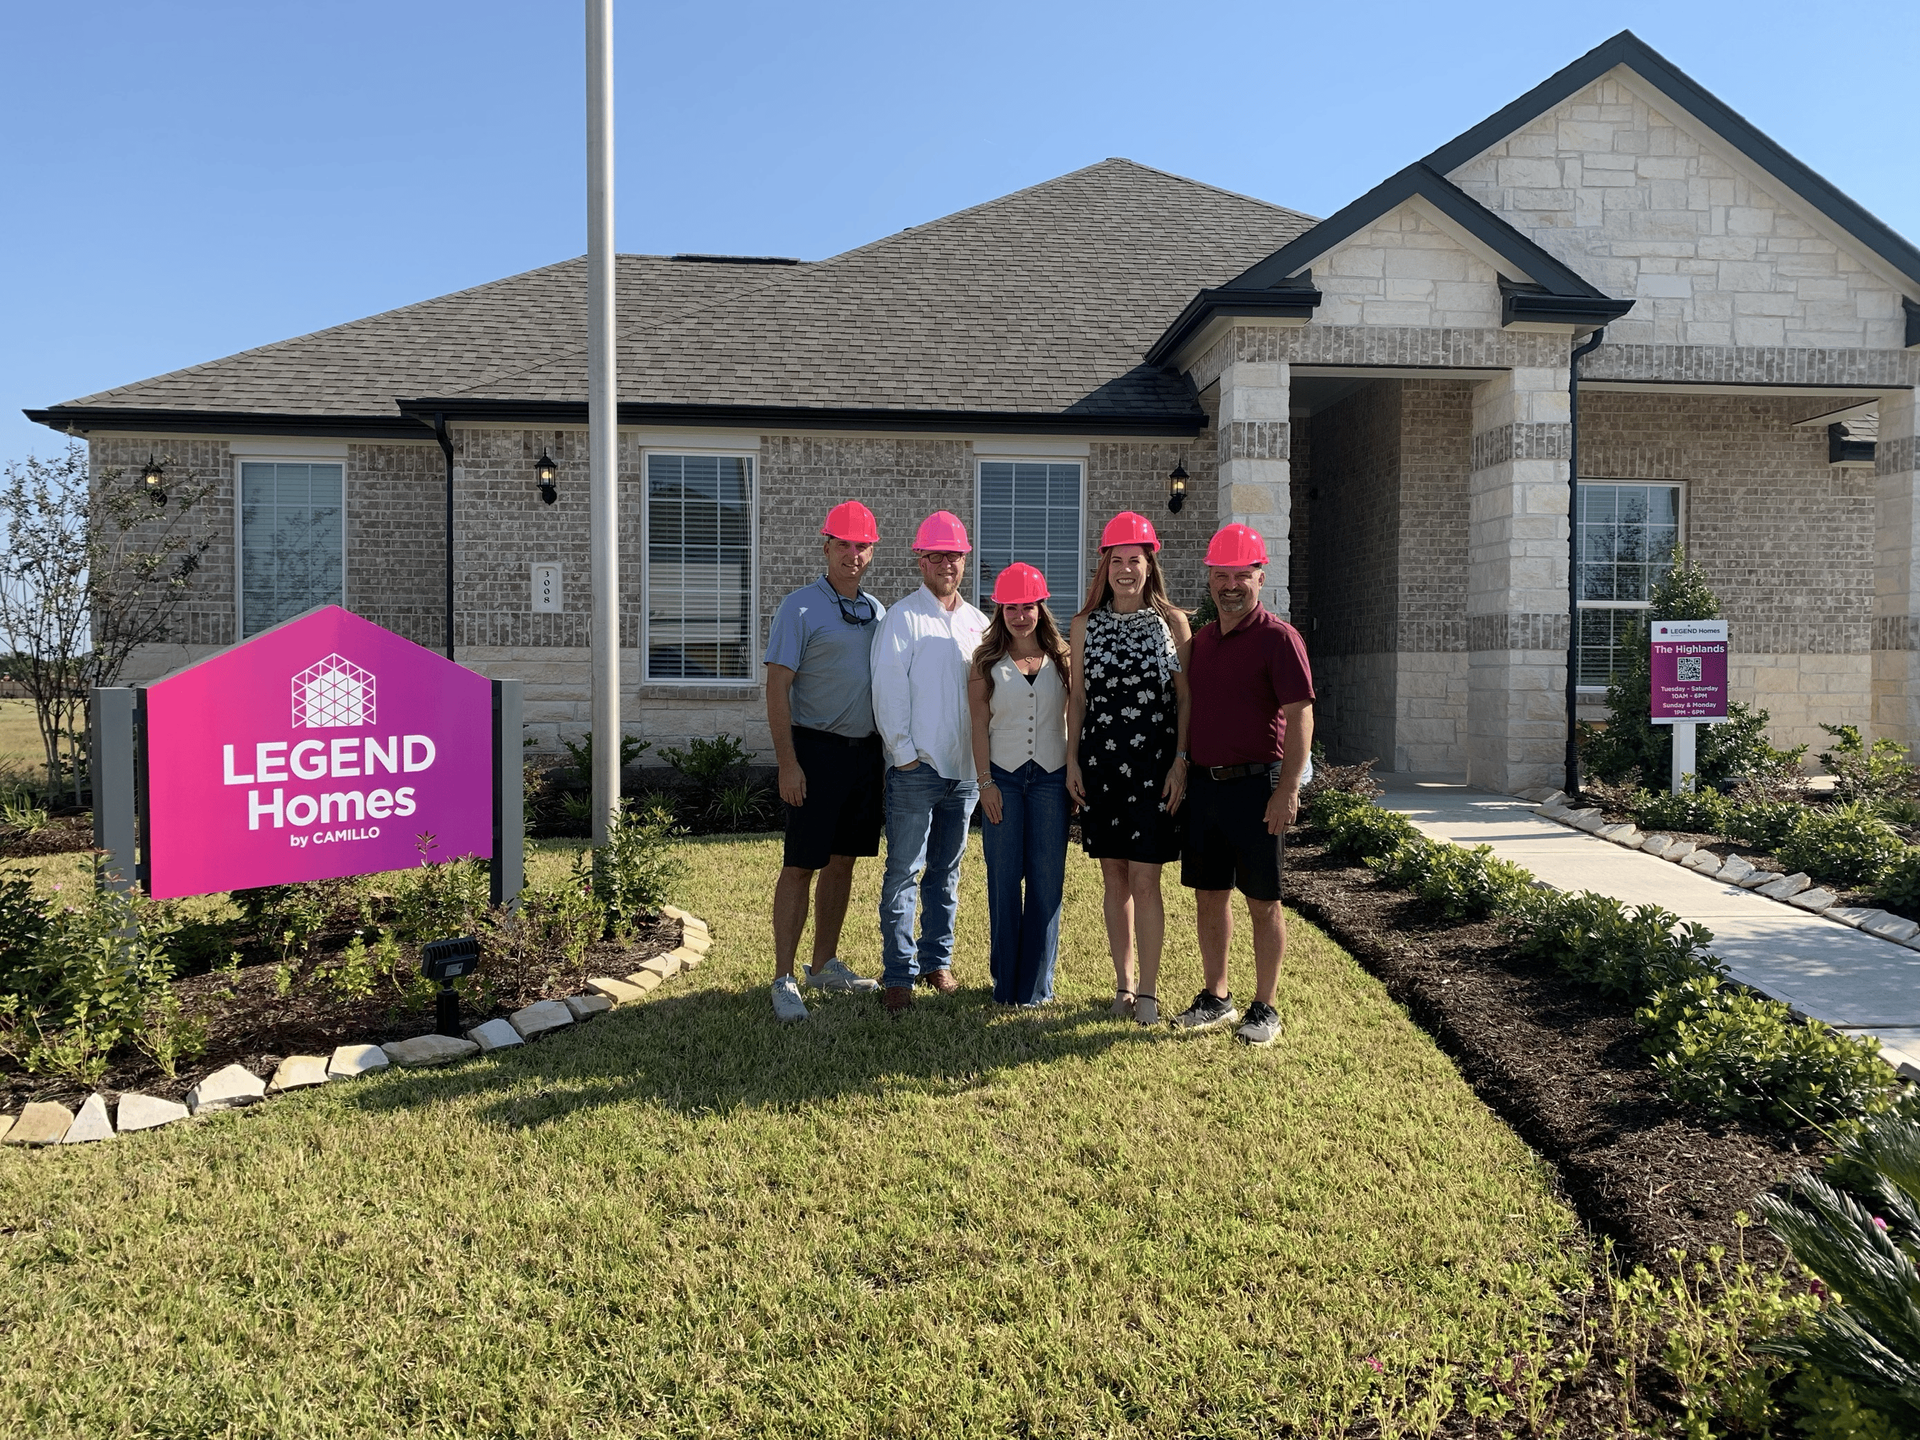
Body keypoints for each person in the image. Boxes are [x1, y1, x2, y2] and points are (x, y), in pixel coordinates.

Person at [1173, 523, 1315, 1046]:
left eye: (1241, 575)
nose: (1231, 585)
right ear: (1210, 578)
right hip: (1207, 791)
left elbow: (1301, 714)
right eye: (1221, 575)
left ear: (1260, 576)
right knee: (1209, 896)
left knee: (1263, 901)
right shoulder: (1204, 642)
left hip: (1259, 791)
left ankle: (1266, 1006)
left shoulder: (1279, 638)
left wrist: (1288, 789)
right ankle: (1217, 997)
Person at [762, 501, 889, 1021]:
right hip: (814, 752)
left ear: (871, 554)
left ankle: (824, 964)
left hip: (865, 756)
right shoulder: (799, 607)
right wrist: (788, 764)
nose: (852, 555)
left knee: (843, 863)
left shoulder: (878, 611)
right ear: (826, 547)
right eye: (843, 544)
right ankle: (784, 977)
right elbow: (776, 691)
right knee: (800, 865)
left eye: (862, 546)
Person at [1066, 511, 1190, 1028]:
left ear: (1149, 565)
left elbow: (1186, 700)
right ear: (1104, 567)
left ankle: (1149, 994)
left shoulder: (1174, 623)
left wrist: (1182, 760)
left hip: (1154, 767)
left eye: (1134, 560)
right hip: (1100, 765)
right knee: (1113, 876)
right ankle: (1122, 984)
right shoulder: (1082, 625)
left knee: (1146, 879)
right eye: (1116, 560)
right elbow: (1078, 700)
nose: (1125, 570)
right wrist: (1072, 758)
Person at [871, 511, 990, 1015]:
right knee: (904, 873)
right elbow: (887, 688)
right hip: (916, 770)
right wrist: (903, 754)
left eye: (954, 555)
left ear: (965, 561)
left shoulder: (979, 623)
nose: (946, 563)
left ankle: (935, 961)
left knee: (947, 872)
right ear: (921, 560)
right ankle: (898, 974)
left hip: (964, 772)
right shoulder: (903, 617)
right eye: (937, 555)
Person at [967, 563, 1071, 1007]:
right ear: (1000, 610)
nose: (1020, 615)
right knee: (1004, 882)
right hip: (1003, 779)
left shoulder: (1065, 659)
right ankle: (1005, 985)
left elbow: (1077, 718)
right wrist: (985, 782)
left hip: (1052, 779)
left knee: (1047, 883)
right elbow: (977, 725)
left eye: (1028, 606)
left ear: (1041, 608)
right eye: (1012, 607)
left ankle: (1036, 989)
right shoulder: (984, 660)